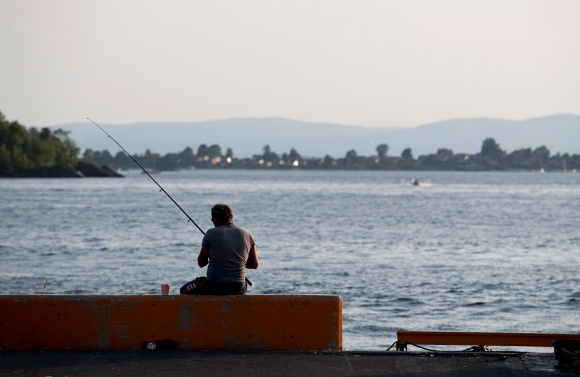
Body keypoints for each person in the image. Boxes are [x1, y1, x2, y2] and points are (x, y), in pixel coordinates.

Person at [180, 204, 259, 295]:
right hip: (239, 287)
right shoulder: (247, 233)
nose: (212, 222)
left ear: (216, 218)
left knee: (184, 290)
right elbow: (254, 264)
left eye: (212, 219)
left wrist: (213, 258)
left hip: (215, 285)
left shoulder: (211, 233)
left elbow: (201, 263)